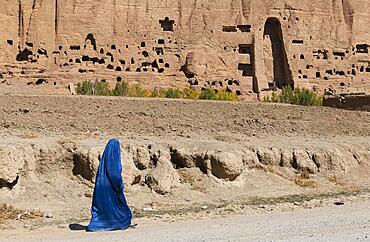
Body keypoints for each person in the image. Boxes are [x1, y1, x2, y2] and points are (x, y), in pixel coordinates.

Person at [87, 139, 132, 231]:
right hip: (110, 187)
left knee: (102, 208)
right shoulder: (113, 160)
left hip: (101, 186)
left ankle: (97, 224)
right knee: (118, 209)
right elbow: (114, 174)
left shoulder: (104, 161)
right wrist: (119, 186)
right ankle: (114, 223)